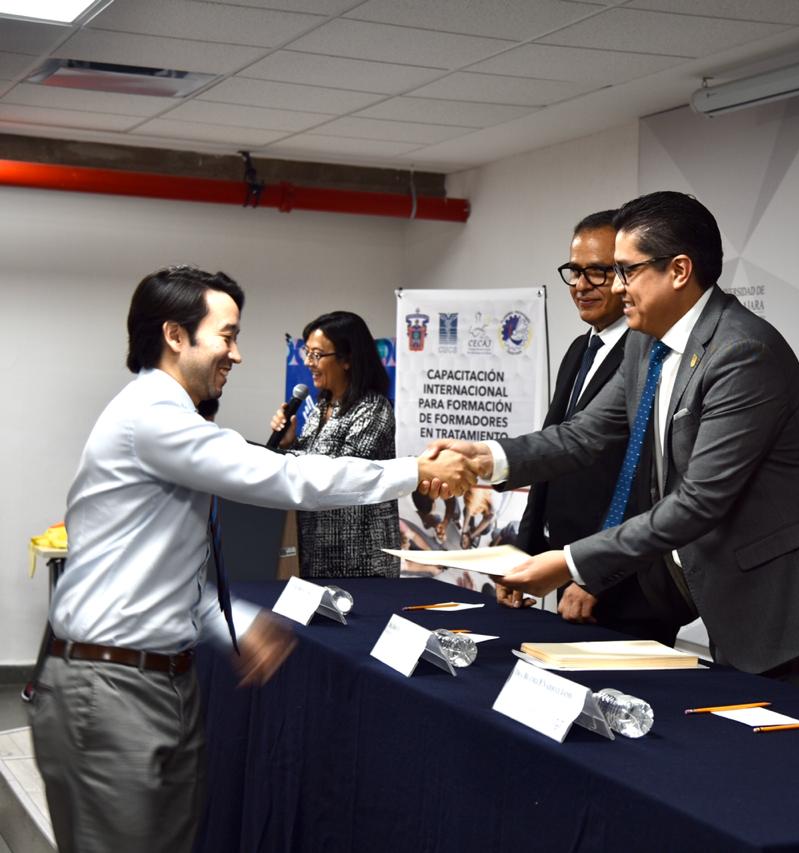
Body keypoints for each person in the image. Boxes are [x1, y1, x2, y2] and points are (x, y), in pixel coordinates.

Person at [27, 266, 475, 853]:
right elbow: (283, 475)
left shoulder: (169, 417)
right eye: (227, 336)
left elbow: (155, 569)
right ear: (175, 335)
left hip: (153, 680)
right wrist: (413, 470)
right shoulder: (152, 416)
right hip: (110, 689)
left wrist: (223, 620)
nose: (236, 355)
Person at [432, 191, 799, 694]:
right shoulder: (644, 343)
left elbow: (700, 500)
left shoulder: (742, 352)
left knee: (781, 760)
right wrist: (486, 458)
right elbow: (584, 434)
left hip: (784, 601)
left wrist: (570, 564)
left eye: (626, 271)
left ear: (679, 270)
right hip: (710, 589)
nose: (616, 286)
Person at [508, 210, 686, 644]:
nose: (581, 285)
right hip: (565, 571)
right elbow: (555, 454)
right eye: (575, 271)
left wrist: (595, 575)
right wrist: (522, 553)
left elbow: (643, 480)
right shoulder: (579, 349)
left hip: (624, 584)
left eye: (599, 272)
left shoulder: (651, 353)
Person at [269, 310, 399, 578]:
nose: (308, 362)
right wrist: (288, 442)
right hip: (316, 550)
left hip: (360, 557)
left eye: (317, 354)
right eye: (307, 353)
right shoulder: (322, 406)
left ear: (347, 359)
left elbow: (339, 472)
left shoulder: (374, 408)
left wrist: (291, 454)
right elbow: (309, 461)